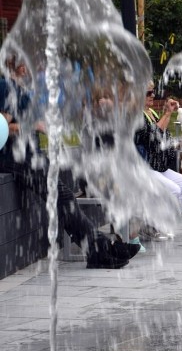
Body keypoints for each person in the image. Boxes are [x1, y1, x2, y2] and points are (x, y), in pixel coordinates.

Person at [0, 63, 139, 269]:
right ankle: (100, 249)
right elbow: (3, 126)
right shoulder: (6, 87)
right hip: (16, 159)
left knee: (63, 200)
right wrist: (33, 125)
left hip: (30, 156)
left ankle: (100, 248)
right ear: (20, 65)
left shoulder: (22, 90)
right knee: (63, 199)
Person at [132, 83, 182, 248]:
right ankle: (149, 225)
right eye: (149, 93)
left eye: (154, 92)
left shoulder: (151, 112)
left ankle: (160, 223)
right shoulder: (134, 115)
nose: (153, 95)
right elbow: (152, 138)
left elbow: (162, 138)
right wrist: (167, 113)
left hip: (156, 166)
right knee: (173, 190)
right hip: (141, 168)